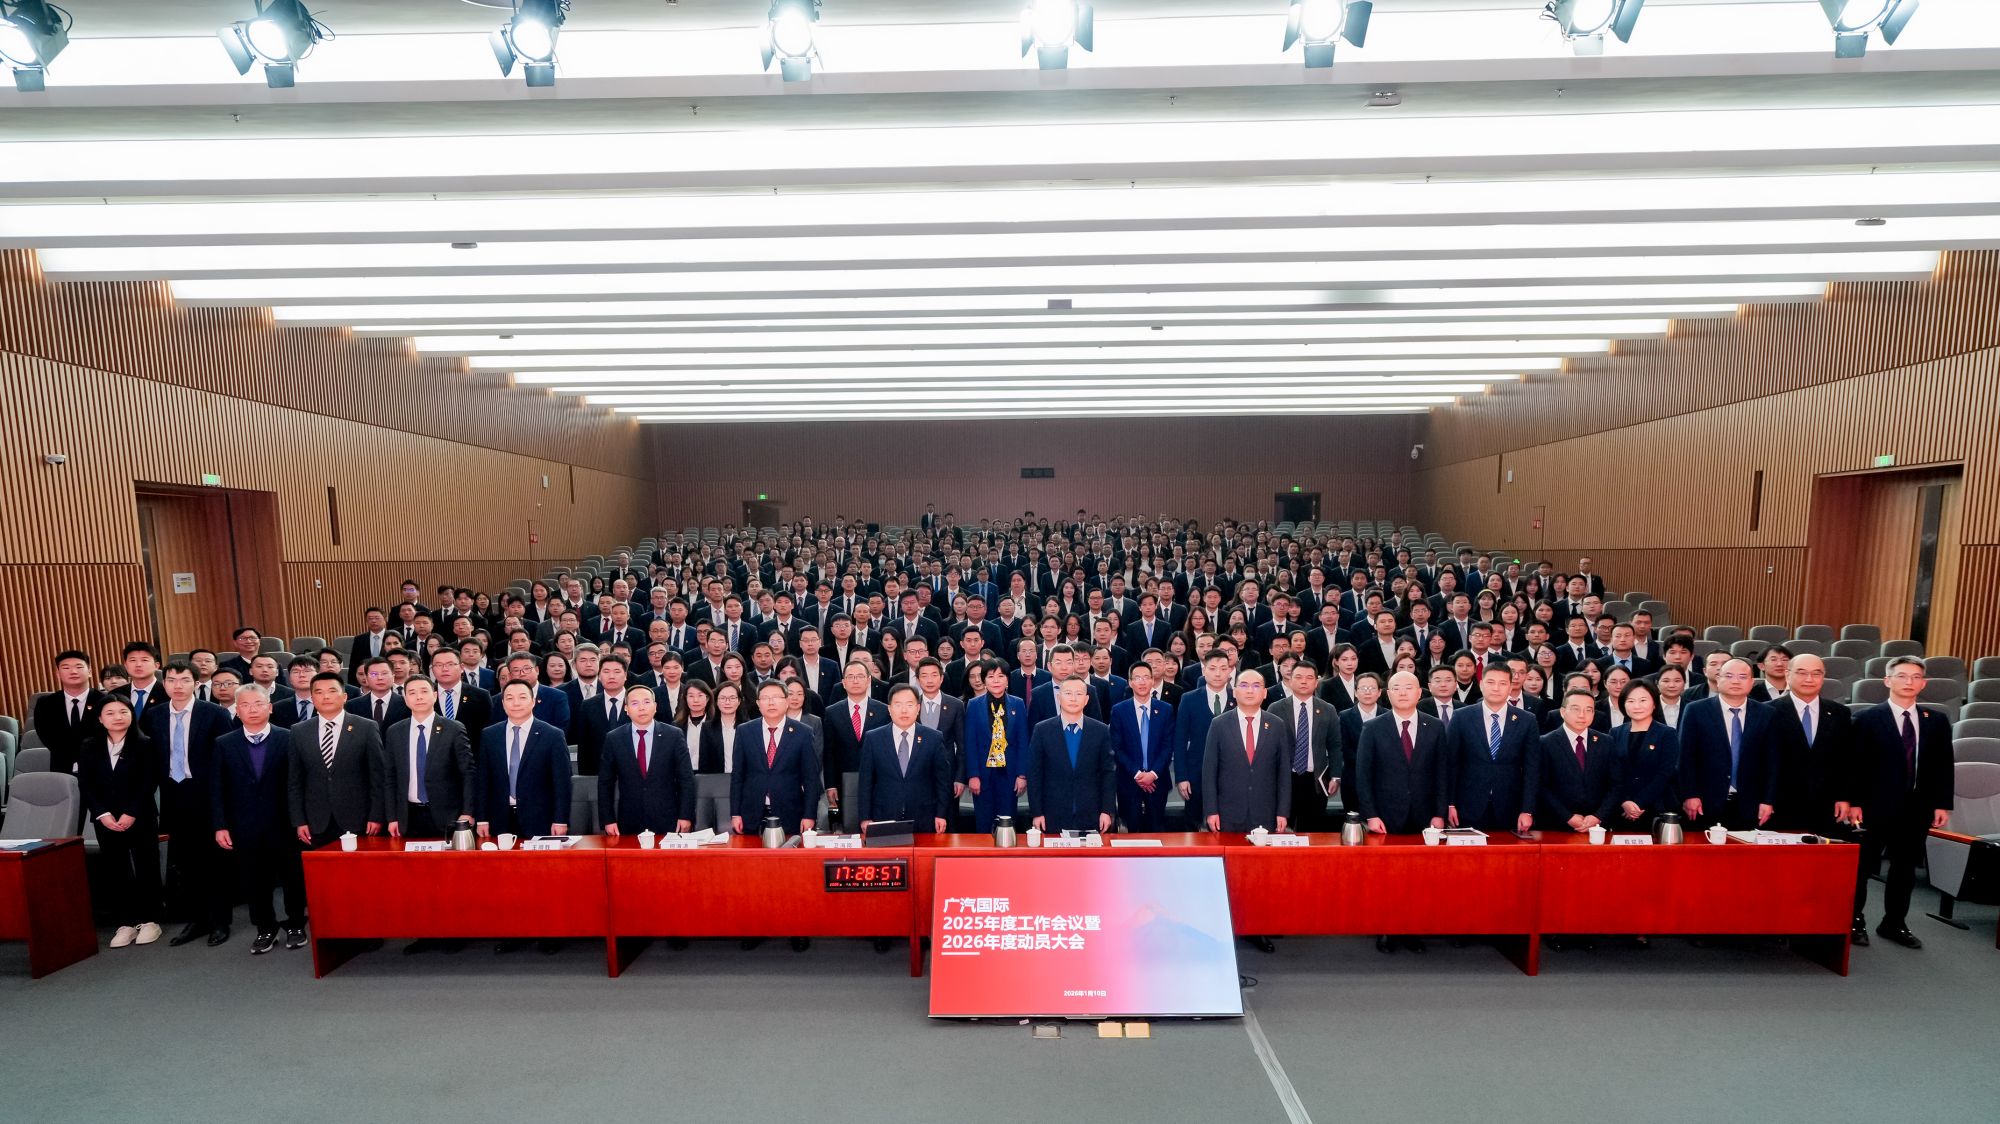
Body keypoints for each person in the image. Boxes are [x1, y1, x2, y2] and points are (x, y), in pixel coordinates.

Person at [1848, 656, 1954, 949]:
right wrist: (1854, 801)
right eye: (1902, 676)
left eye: (1916, 677)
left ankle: (1894, 922)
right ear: (1887, 680)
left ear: (1923, 683)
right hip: (1872, 807)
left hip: (1916, 807)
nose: (1909, 682)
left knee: (1904, 869)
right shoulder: (1866, 718)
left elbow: (1944, 765)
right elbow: (1854, 765)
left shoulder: (1936, 720)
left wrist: (1941, 803)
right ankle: (1855, 921)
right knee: (1862, 868)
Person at [140, 661, 235, 947]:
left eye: (184, 680)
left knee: (214, 863)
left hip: (207, 795)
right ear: (164, 683)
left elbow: (225, 759)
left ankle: (220, 921)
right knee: (185, 863)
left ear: (196, 683)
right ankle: (197, 919)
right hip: (173, 795)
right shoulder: (154, 715)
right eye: (171, 680)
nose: (177, 686)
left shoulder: (214, 713)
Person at [209, 685, 305, 954]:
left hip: (285, 823)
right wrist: (220, 825)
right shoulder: (224, 743)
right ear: (237, 711)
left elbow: (299, 782)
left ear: (270, 707)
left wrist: (301, 820)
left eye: (258, 703)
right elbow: (217, 788)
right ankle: (265, 928)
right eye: (245, 705)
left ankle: (296, 924)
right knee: (254, 880)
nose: (252, 710)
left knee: (292, 877)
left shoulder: (290, 737)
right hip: (244, 825)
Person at [78, 696, 163, 949]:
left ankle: (150, 920)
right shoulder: (89, 746)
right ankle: (125, 923)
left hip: (140, 815)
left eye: (123, 711)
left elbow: (149, 781)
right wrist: (102, 814)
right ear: (100, 719)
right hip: (105, 819)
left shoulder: (145, 743)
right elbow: (86, 783)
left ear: (131, 715)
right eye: (110, 713)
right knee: (116, 868)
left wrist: (131, 812)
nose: (117, 717)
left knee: (146, 865)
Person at [1678, 657, 1780, 831]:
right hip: (1704, 803)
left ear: (1752, 682)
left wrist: (1768, 800)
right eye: (1729, 676)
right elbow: (1685, 757)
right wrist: (1690, 794)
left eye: (1742, 677)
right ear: (1718, 679)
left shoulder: (1767, 713)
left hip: (1752, 804)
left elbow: (1772, 762)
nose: (1736, 681)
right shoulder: (1696, 710)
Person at [289, 672, 388, 849]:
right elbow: (295, 781)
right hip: (316, 821)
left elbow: (378, 776)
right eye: (319, 692)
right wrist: (299, 820)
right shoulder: (299, 731)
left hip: (359, 819)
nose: (326, 696)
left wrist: (377, 815)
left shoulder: (366, 727)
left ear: (344, 696)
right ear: (312, 698)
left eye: (332, 691)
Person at [1352, 670, 1448, 835]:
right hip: (1384, 816)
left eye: (1408, 688)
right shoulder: (1372, 728)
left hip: (1426, 815)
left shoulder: (1436, 726)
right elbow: (1363, 776)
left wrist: (1440, 814)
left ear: (1419, 693)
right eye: (1396, 688)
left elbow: (1442, 773)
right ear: (1389, 694)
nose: (1402, 693)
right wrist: (1371, 815)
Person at [1445, 663, 1537, 835]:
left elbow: (1532, 769)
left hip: (1510, 807)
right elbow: (1450, 763)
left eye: (1502, 683)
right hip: (1467, 806)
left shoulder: (1527, 720)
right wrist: (1449, 804)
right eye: (1490, 682)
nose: (1496, 688)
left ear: (1510, 687)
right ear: (1481, 684)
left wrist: (1527, 810)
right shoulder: (1461, 717)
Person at [473, 680, 571, 839]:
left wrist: (560, 820)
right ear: (503, 703)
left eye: (522, 697)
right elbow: (483, 780)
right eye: (509, 698)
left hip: (541, 819)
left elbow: (562, 783)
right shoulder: (489, 735)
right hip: (498, 819)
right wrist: (482, 818)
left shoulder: (553, 735)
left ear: (533, 701)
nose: (516, 703)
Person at [384, 676, 475, 841]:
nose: (418, 697)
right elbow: (390, 777)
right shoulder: (394, 732)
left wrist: (467, 812)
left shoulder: (453, 729)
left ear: (435, 695)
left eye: (424, 691)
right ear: (405, 699)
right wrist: (392, 817)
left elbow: (468, 773)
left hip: (448, 816)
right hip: (408, 817)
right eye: (412, 693)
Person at [599, 685, 696, 836]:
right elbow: (605, 783)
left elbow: (686, 779)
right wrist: (608, 819)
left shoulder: (673, 735)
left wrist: (686, 815)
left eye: (646, 702)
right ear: (626, 709)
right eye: (635, 703)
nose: (641, 708)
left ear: (655, 706)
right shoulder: (614, 738)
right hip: (628, 819)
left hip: (668, 818)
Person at [1202, 669, 1291, 834]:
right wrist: (1211, 810)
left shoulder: (1277, 725)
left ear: (1265, 693)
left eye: (1256, 686)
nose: (1250, 690)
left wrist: (1283, 812)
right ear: (1234, 691)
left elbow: (1284, 773)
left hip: (1266, 812)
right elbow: (1209, 772)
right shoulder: (1219, 724)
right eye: (1243, 685)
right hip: (1227, 813)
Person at [856, 683, 954, 834]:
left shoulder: (933, 738)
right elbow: (865, 781)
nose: (904, 710)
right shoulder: (874, 738)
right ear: (889, 709)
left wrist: (941, 814)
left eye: (909, 704)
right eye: (898, 705)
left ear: (918, 708)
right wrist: (865, 817)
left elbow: (942, 781)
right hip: (883, 815)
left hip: (925, 817)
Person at [730, 680, 821, 838]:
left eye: (776, 697)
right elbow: (737, 776)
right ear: (758, 703)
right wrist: (735, 813)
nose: (771, 702)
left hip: (791, 812)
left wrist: (809, 815)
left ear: (786, 701)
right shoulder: (745, 731)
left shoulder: (803, 732)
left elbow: (811, 779)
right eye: (765, 698)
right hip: (751, 813)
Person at [1026, 677, 1116, 834]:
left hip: (1091, 813)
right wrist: (1037, 812)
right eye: (1068, 693)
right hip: (1052, 814)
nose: (1073, 698)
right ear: (1059, 697)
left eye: (1079, 694)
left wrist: (1106, 811)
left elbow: (1108, 773)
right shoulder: (1042, 730)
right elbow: (1034, 774)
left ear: (1086, 700)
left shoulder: (1101, 730)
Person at [1264, 661, 1341, 833]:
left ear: (1316, 682)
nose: (1304, 681)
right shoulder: (1275, 708)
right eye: (1298, 677)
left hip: (1316, 780)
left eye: (1309, 678)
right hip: (1285, 779)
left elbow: (1335, 745)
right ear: (1290, 680)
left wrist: (1335, 776)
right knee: (1282, 831)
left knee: (1313, 832)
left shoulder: (1328, 709)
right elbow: (1268, 747)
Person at [1528, 690, 1620, 833]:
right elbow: (1540, 786)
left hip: (1597, 826)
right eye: (1576, 709)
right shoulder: (1545, 743)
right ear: (1562, 712)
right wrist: (1567, 817)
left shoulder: (1606, 742)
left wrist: (1598, 816)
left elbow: (1616, 784)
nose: (1582, 715)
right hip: (1555, 825)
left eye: (1588, 710)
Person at [962, 659, 1030, 832]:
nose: (996, 681)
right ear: (984, 681)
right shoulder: (973, 705)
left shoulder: (1018, 704)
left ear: (1007, 680)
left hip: (1009, 774)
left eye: (1001, 676)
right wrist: (973, 775)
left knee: (1007, 823)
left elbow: (1023, 741)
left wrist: (1022, 775)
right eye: (991, 676)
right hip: (983, 775)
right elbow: (970, 743)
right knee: (984, 823)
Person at [1110, 660, 1178, 832]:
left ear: (1153, 681)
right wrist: (1138, 774)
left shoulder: (1165, 709)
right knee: (1130, 832)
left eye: (1146, 677)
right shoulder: (1119, 710)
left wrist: (1152, 774)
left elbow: (1167, 746)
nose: (1142, 682)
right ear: (1130, 682)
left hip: (1158, 781)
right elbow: (1117, 748)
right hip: (1129, 781)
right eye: (1137, 678)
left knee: (1156, 830)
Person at [822, 660, 889, 831]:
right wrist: (830, 784)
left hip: (877, 781)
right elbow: (828, 752)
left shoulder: (883, 710)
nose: (855, 680)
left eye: (860, 676)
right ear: (843, 683)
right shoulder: (832, 712)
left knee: (876, 828)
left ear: (869, 680)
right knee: (846, 827)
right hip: (843, 781)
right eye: (850, 677)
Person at [1174, 649, 1235, 830]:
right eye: (1213, 668)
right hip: (1196, 773)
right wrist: (1182, 777)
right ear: (1204, 670)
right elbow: (1179, 740)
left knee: (1227, 825)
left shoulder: (1238, 698)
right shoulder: (1189, 699)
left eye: (1223, 668)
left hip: (1231, 774)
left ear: (1230, 671)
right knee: (1194, 825)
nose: (1218, 673)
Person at [1610, 680, 1681, 834]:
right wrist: (1625, 801)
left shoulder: (1667, 733)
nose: (1637, 706)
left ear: (1654, 703)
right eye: (1630, 701)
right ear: (1623, 705)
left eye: (1643, 700)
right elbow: (1613, 772)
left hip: (1657, 807)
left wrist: (1639, 803)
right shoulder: (1615, 733)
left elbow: (1665, 773)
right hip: (1621, 809)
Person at [35, 649, 107, 776]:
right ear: (58, 674)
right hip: (61, 769)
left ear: (90, 672)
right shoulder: (45, 704)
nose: (73, 671)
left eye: (79, 667)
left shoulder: (105, 701)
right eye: (66, 667)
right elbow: (47, 737)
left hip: (100, 768)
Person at [678, 681, 731, 831]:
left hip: (711, 780)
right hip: (685, 779)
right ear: (685, 698)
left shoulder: (716, 725)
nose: (695, 700)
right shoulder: (676, 727)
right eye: (691, 696)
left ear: (708, 698)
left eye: (700, 695)